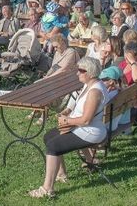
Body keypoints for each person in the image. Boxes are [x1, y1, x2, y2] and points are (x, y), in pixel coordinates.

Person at [29, 57, 108, 198]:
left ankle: (47, 189)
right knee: (48, 137)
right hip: (81, 127)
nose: (77, 73)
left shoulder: (94, 92)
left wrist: (67, 120)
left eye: (80, 71)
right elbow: (80, 109)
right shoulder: (89, 84)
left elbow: (86, 120)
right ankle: (61, 173)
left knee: (53, 146)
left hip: (90, 132)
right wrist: (67, 113)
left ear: (90, 73)